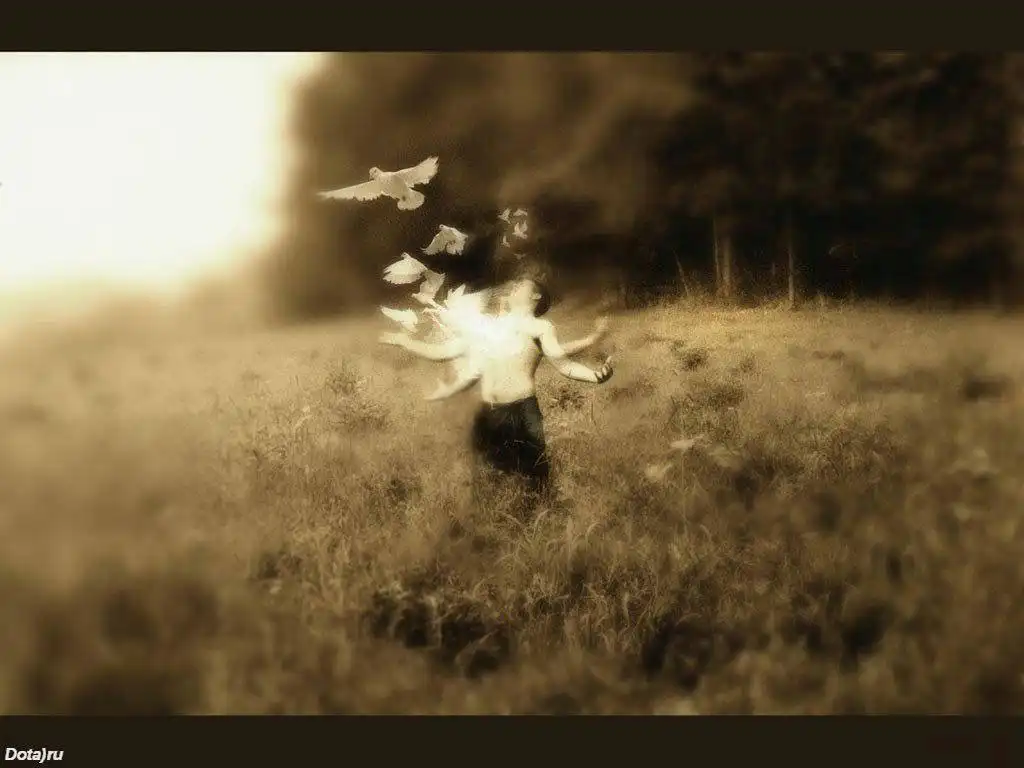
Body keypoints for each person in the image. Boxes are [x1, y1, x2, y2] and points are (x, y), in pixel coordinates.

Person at [379, 278, 612, 499]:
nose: (515, 285)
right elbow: (444, 352)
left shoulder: (540, 327)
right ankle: (493, 521)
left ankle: (542, 517)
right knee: (487, 479)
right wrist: (405, 342)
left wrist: (595, 377)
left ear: (536, 295)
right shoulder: (488, 325)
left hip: (521, 411)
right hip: (488, 413)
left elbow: (564, 365)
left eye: (522, 284)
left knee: (535, 479)